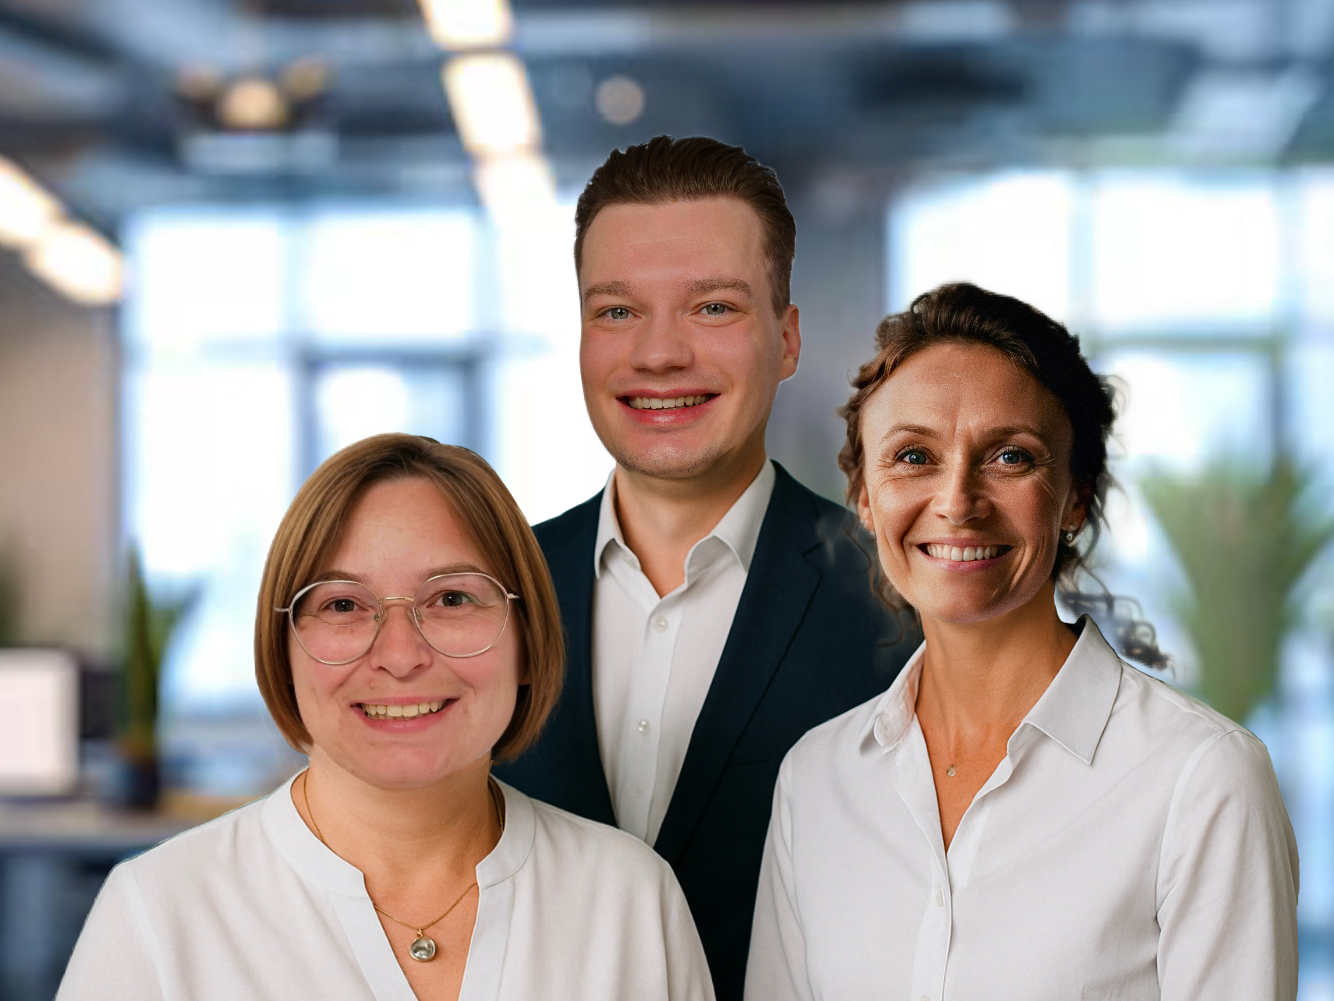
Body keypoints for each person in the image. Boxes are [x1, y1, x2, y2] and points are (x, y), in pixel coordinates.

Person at [745, 282, 1300, 1001]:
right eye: (913, 456)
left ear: (1074, 495)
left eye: (1010, 456)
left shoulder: (1202, 780)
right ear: (865, 497)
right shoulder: (816, 782)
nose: (957, 501)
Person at [59, 434, 714, 1001]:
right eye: (343, 605)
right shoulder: (157, 912)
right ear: (283, 650)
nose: (400, 656)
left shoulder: (629, 900)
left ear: (526, 640)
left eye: (453, 597)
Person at [492, 134, 918, 1001]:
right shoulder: (488, 591)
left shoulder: (903, 603)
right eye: (616, 312)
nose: (658, 355)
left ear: (788, 338)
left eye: (713, 308)